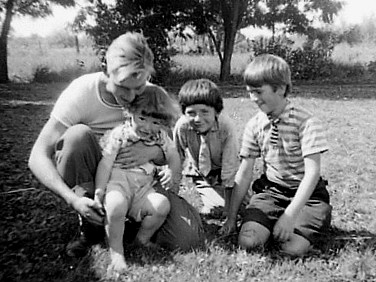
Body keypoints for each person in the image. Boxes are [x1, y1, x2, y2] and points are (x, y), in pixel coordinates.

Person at [28, 32, 204, 258]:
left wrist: (150, 151)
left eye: (138, 87)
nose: (131, 96)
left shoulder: (149, 93)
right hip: (99, 176)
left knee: (187, 239)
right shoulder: (81, 91)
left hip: (142, 181)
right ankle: (91, 223)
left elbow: (168, 150)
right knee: (76, 137)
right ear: (106, 69)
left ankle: (128, 224)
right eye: (123, 86)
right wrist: (72, 200)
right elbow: (38, 156)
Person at [220, 54, 332, 256]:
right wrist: (231, 216)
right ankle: (270, 223)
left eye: (258, 91)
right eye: (250, 92)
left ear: (280, 88)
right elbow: (244, 173)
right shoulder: (254, 124)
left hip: (308, 195)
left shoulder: (306, 122)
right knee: (248, 242)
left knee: (291, 248)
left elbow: (312, 173)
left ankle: (306, 224)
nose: (253, 98)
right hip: (271, 191)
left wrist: (290, 215)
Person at [94, 85, 181, 272]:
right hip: (119, 183)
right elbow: (105, 164)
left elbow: (173, 156)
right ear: (130, 112)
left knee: (161, 205)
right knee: (115, 206)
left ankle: (141, 240)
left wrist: (172, 172)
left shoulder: (161, 137)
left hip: (144, 189)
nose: (148, 127)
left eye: (156, 122)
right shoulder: (120, 134)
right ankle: (116, 251)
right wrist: (100, 190)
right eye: (142, 118)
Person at [173, 79, 239, 215]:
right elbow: (175, 158)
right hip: (203, 175)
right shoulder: (182, 127)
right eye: (191, 113)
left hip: (225, 171)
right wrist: (172, 196)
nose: (198, 119)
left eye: (205, 112)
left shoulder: (226, 127)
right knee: (215, 209)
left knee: (241, 205)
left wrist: (229, 212)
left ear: (216, 111)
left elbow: (230, 166)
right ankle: (209, 193)